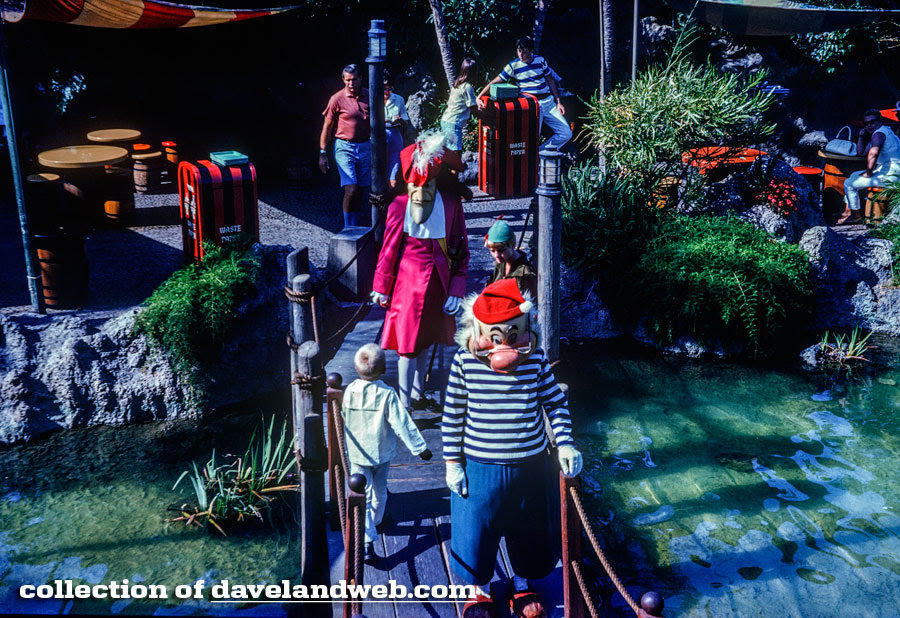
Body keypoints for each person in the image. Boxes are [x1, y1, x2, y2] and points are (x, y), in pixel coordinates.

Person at [443, 278, 583, 618]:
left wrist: (565, 443)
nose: (504, 346)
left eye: (512, 335)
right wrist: (452, 462)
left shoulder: (536, 359)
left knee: (529, 530)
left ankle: (522, 583)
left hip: (530, 465)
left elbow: (555, 403)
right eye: (495, 337)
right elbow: (452, 414)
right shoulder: (465, 361)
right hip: (480, 466)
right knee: (476, 530)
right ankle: (478, 591)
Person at [370, 130, 470, 411]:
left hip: (439, 283)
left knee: (427, 340)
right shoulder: (399, 205)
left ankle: (417, 392)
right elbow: (389, 249)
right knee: (408, 346)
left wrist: (456, 289)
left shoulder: (450, 203)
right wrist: (381, 286)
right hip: (407, 286)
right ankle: (404, 404)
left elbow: (461, 249)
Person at [341, 343, 432, 559]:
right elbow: (402, 423)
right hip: (381, 453)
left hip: (358, 453)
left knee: (362, 494)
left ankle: (366, 538)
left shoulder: (349, 391)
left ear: (356, 369)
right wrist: (420, 448)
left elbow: (343, 417)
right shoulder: (387, 394)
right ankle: (375, 526)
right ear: (383, 369)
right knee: (380, 491)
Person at [477, 36, 571, 150]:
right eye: (519, 51)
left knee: (566, 133)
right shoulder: (513, 66)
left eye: (524, 52)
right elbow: (495, 81)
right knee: (532, 139)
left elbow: (551, 81)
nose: (521, 55)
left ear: (531, 51)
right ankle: (535, 156)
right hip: (532, 105)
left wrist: (558, 102)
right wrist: (479, 96)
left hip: (548, 103)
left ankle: (540, 152)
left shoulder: (540, 60)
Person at [319, 64, 370, 228]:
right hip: (345, 147)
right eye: (348, 80)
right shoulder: (337, 99)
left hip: (365, 146)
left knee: (361, 189)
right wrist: (322, 153)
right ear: (343, 80)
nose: (351, 83)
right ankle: (348, 227)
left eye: (354, 79)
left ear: (360, 78)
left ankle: (355, 225)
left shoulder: (369, 95)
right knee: (351, 188)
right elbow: (327, 127)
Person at [838, 109, 900, 225]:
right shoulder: (884, 132)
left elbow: (873, 153)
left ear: (879, 122)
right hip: (892, 172)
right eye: (866, 123)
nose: (869, 125)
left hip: (891, 175)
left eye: (872, 122)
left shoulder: (878, 134)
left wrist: (869, 173)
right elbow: (861, 152)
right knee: (853, 175)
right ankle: (848, 211)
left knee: (848, 183)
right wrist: (861, 136)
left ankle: (855, 216)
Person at [484, 218, 536, 298]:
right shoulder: (499, 264)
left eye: (501, 250)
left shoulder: (524, 273)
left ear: (513, 245)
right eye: (492, 251)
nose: (496, 255)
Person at [441, 58, 480, 152]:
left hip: (446, 120)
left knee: (450, 153)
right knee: (456, 153)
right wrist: (488, 117)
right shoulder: (467, 87)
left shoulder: (457, 83)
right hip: (453, 123)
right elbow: (473, 109)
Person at [383, 72, 410, 187]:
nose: (387, 92)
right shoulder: (372, 98)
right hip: (379, 134)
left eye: (389, 89)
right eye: (384, 89)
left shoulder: (398, 99)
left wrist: (400, 120)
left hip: (394, 133)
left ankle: (392, 182)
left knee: (395, 160)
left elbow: (405, 120)